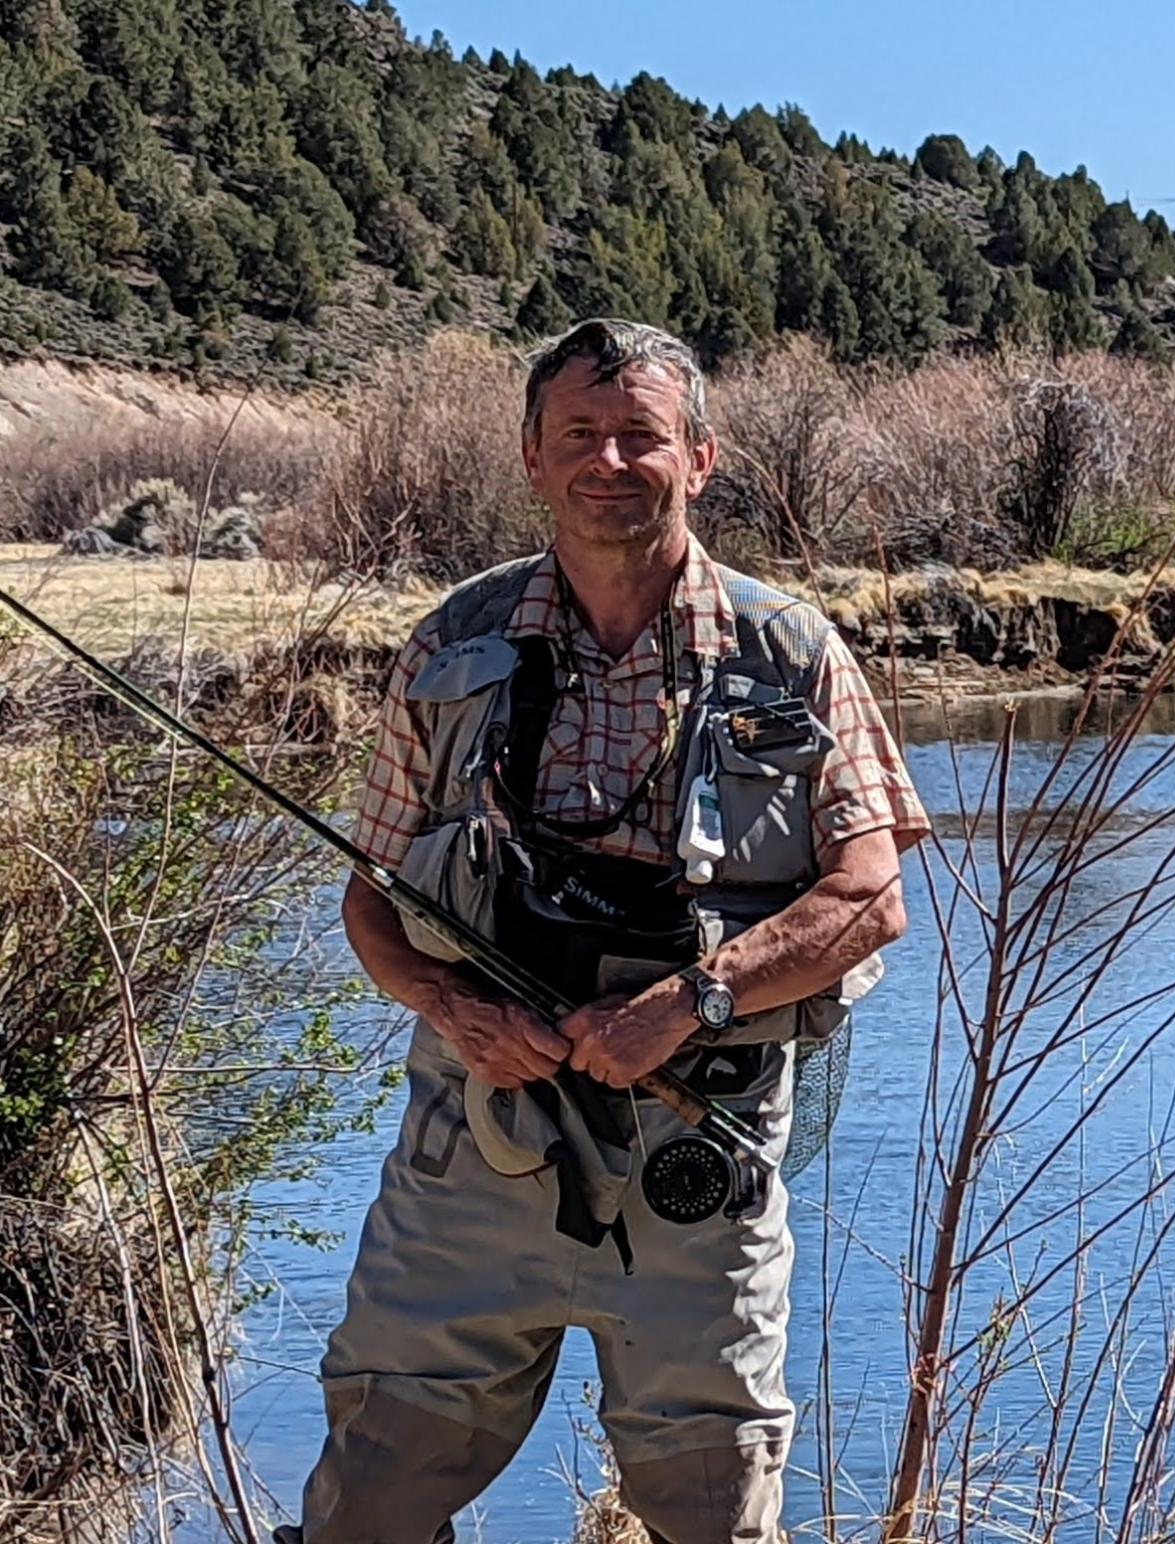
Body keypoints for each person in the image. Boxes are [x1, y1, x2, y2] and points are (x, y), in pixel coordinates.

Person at [279, 318, 928, 1544]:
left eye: (641, 435)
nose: (610, 460)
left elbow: (870, 897)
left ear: (702, 454)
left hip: (703, 1144)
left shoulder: (792, 650)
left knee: (718, 1511)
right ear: (532, 457)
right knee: (367, 1496)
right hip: (475, 1137)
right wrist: (460, 1009)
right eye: (580, 434)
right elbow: (371, 899)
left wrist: (691, 1000)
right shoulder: (451, 646)